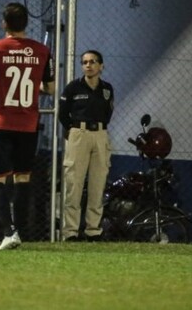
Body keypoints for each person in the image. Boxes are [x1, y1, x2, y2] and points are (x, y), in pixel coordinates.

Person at [0, 2, 55, 250]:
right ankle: (20, 231)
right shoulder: (42, 51)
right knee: (22, 177)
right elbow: (49, 88)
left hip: (1, 121)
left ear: (4, 23)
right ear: (26, 23)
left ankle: (9, 232)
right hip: (29, 123)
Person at [58, 50, 114, 242]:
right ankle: (71, 232)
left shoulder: (107, 89)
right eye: (84, 62)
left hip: (100, 134)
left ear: (101, 66)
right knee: (74, 183)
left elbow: (108, 113)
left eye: (92, 62)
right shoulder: (73, 87)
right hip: (78, 134)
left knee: (98, 184)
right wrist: (73, 131)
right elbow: (63, 114)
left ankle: (93, 230)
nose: (88, 65)